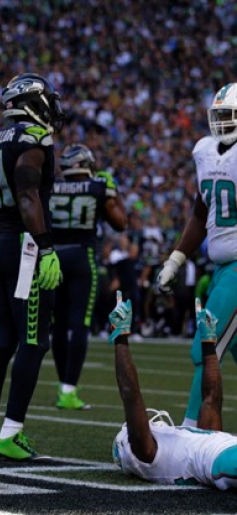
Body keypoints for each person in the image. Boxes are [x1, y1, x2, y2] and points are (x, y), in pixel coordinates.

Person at [0, 73, 65, 460]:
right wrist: (44, 246)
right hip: (22, 246)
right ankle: (11, 434)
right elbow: (28, 195)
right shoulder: (34, 139)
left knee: (2, 342)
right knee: (34, 340)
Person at [156, 82, 237, 428]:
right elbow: (200, 212)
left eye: (229, 116)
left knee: (204, 348)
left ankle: (191, 431)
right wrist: (176, 258)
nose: (222, 123)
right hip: (220, 266)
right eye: (218, 115)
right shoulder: (205, 151)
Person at [110, 292, 237, 490]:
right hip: (219, 462)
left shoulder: (192, 438)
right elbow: (130, 394)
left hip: (223, 452)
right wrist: (120, 338)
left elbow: (211, 398)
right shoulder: (148, 453)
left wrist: (209, 343)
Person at [49, 144, 127, 410]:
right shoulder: (97, 186)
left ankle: (64, 386)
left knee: (58, 325)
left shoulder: (51, 186)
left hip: (53, 259)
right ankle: (68, 389)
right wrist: (113, 192)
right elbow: (120, 222)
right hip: (82, 257)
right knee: (80, 323)